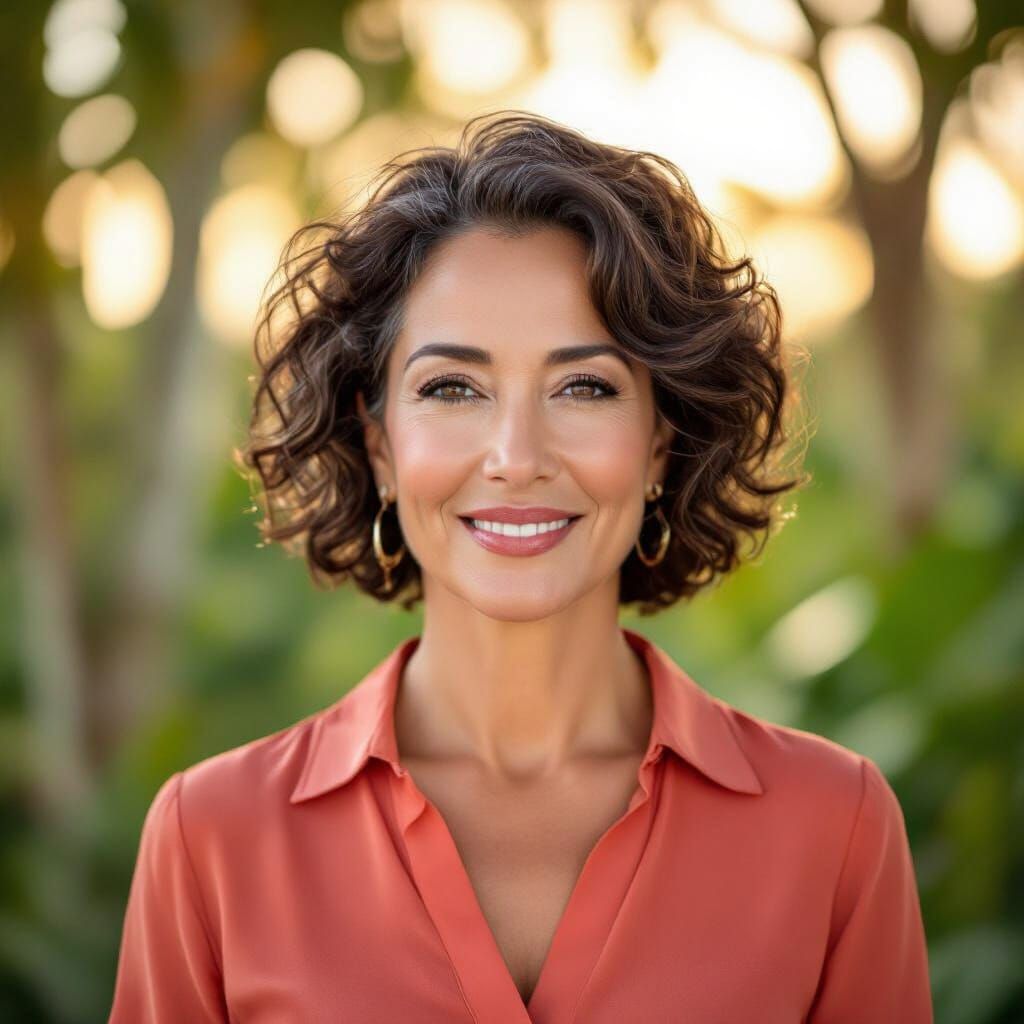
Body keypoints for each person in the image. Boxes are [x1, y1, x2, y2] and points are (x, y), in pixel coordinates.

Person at [108, 110, 933, 1022]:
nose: (515, 454)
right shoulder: (213, 838)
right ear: (379, 442)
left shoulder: (834, 826)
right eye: (452, 388)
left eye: (584, 386)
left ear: (661, 441)